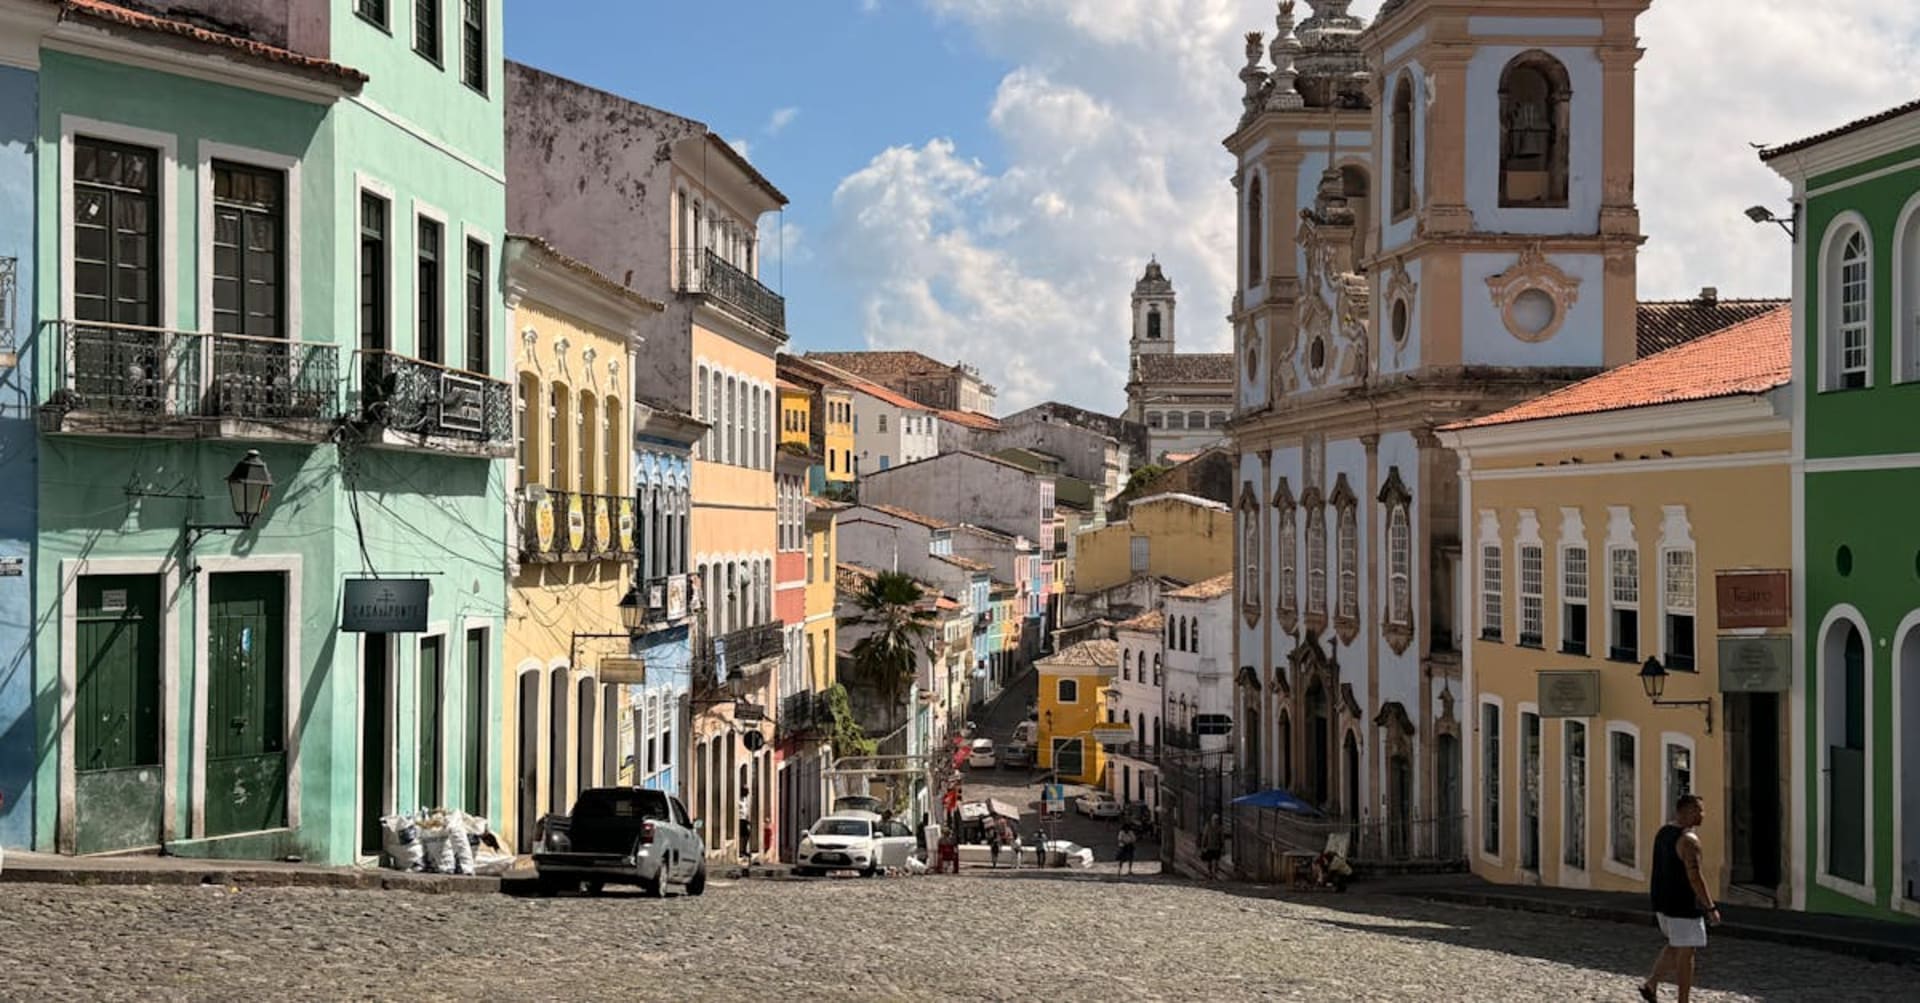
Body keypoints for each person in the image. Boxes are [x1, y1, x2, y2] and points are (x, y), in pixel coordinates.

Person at [1641, 794, 1721, 1003]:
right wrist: (1710, 907)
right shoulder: (1689, 841)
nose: (1703, 814)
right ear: (1687, 811)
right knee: (1686, 955)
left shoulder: (1663, 833)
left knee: (1675, 945)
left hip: (1662, 901)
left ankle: (1651, 984)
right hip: (1683, 905)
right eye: (1699, 810)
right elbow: (1695, 876)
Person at [1199, 812, 1225, 879]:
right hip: (1209, 846)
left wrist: (1223, 847)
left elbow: (1222, 838)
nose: (1216, 821)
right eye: (1214, 820)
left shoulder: (1220, 828)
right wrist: (1203, 845)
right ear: (1212, 820)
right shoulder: (1208, 826)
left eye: (1217, 820)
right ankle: (1210, 872)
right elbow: (1204, 836)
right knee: (1209, 861)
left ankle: (1215, 873)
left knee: (1216, 861)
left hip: (1216, 847)